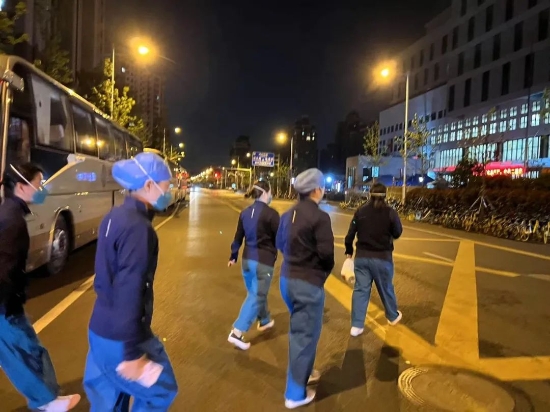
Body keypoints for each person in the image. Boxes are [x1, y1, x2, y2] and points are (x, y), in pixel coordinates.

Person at [83, 152, 178, 411]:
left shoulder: (114, 216)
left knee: (109, 402)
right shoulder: (139, 229)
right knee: (162, 391)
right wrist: (132, 355)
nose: (168, 192)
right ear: (149, 185)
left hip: (100, 329)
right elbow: (131, 287)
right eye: (166, 186)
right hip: (122, 338)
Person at [0, 163, 81, 411]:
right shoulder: (12, 220)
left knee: (25, 351)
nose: (42, 189)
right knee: (20, 354)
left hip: (8, 301)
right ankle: (46, 401)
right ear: (22, 186)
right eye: (38, 183)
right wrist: (10, 305)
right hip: (4, 304)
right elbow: (5, 269)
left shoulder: (10, 213)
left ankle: (47, 399)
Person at [276, 168, 334, 409]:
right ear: (317, 190)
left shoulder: (286, 215)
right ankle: (295, 394)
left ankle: (305, 373)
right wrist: (320, 275)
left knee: (303, 331)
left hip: (286, 280)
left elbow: (280, 244)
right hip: (307, 284)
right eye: (322, 188)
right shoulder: (320, 218)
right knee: (304, 336)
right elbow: (327, 255)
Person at [344, 182, 403, 338]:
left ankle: (356, 326)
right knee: (386, 288)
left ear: (369, 194)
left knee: (361, 290)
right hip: (382, 258)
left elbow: (350, 235)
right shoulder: (390, 213)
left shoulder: (360, 211)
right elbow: (397, 232)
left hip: (362, 258)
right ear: (385, 195)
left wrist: (349, 251)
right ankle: (392, 316)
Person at [227, 180, 280, 350]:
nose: (271, 195)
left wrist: (233, 256)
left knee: (255, 293)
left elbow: (237, 238)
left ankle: (264, 320)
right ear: (265, 193)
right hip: (263, 263)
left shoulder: (245, 213)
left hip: (246, 261)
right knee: (257, 295)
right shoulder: (272, 214)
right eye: (270, 192)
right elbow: (281, 239)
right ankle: (237, 332)